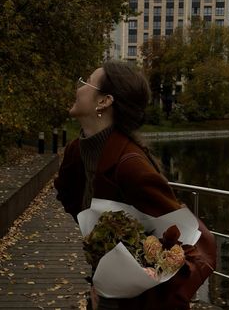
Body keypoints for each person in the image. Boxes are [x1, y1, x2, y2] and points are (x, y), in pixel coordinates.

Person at [54, 61, 216, 310]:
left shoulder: (131, 165)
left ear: (104, 101)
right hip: (104, 290)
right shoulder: (77, 152)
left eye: (85, 82)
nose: (78, 88)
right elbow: (72, 201)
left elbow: (197, 247)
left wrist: (139, 284)